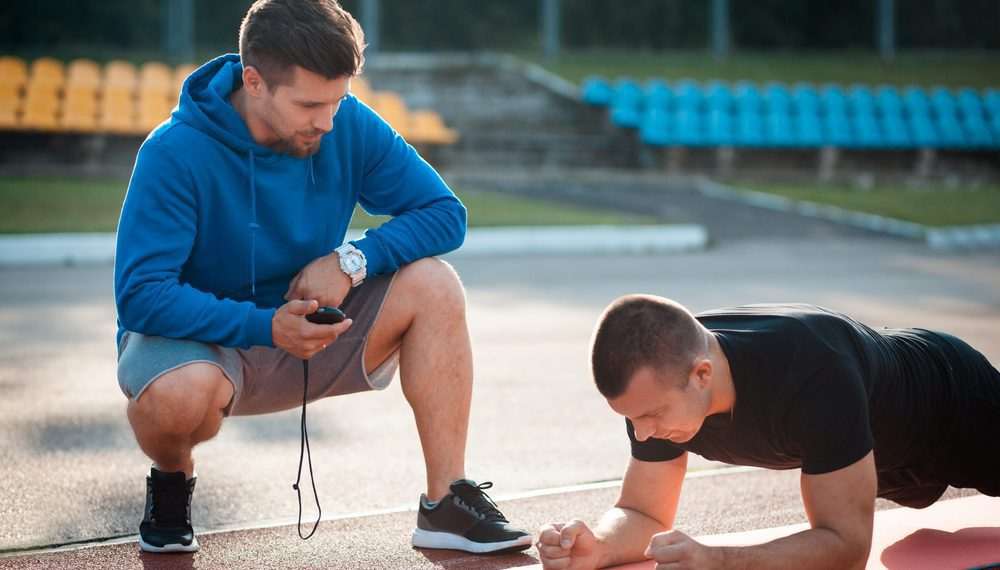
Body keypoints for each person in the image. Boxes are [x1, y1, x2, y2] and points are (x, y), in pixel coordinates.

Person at [114, 0, 530, 555]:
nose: (327, 121)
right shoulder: (173, 152)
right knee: (178, 399)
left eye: (337, 100)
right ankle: (171, 478)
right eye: (310, 104)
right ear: (254, 82)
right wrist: (265, 326)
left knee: (435, 284)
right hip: (202, 345)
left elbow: (445, 214)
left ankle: (446, 502)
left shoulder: (345, 123)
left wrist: (351, 260)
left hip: (312, 335)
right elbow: (142, 297)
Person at [538, 295, 999, 569]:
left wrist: (720, 560)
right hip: (885, 453)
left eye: (652, 415)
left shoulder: (815, 373)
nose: (642, 435)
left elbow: (847, 548)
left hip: (952, 402)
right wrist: (599, 547)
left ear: (702, 375)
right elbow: (644, 512)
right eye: (632, 417)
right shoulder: (657, 386)